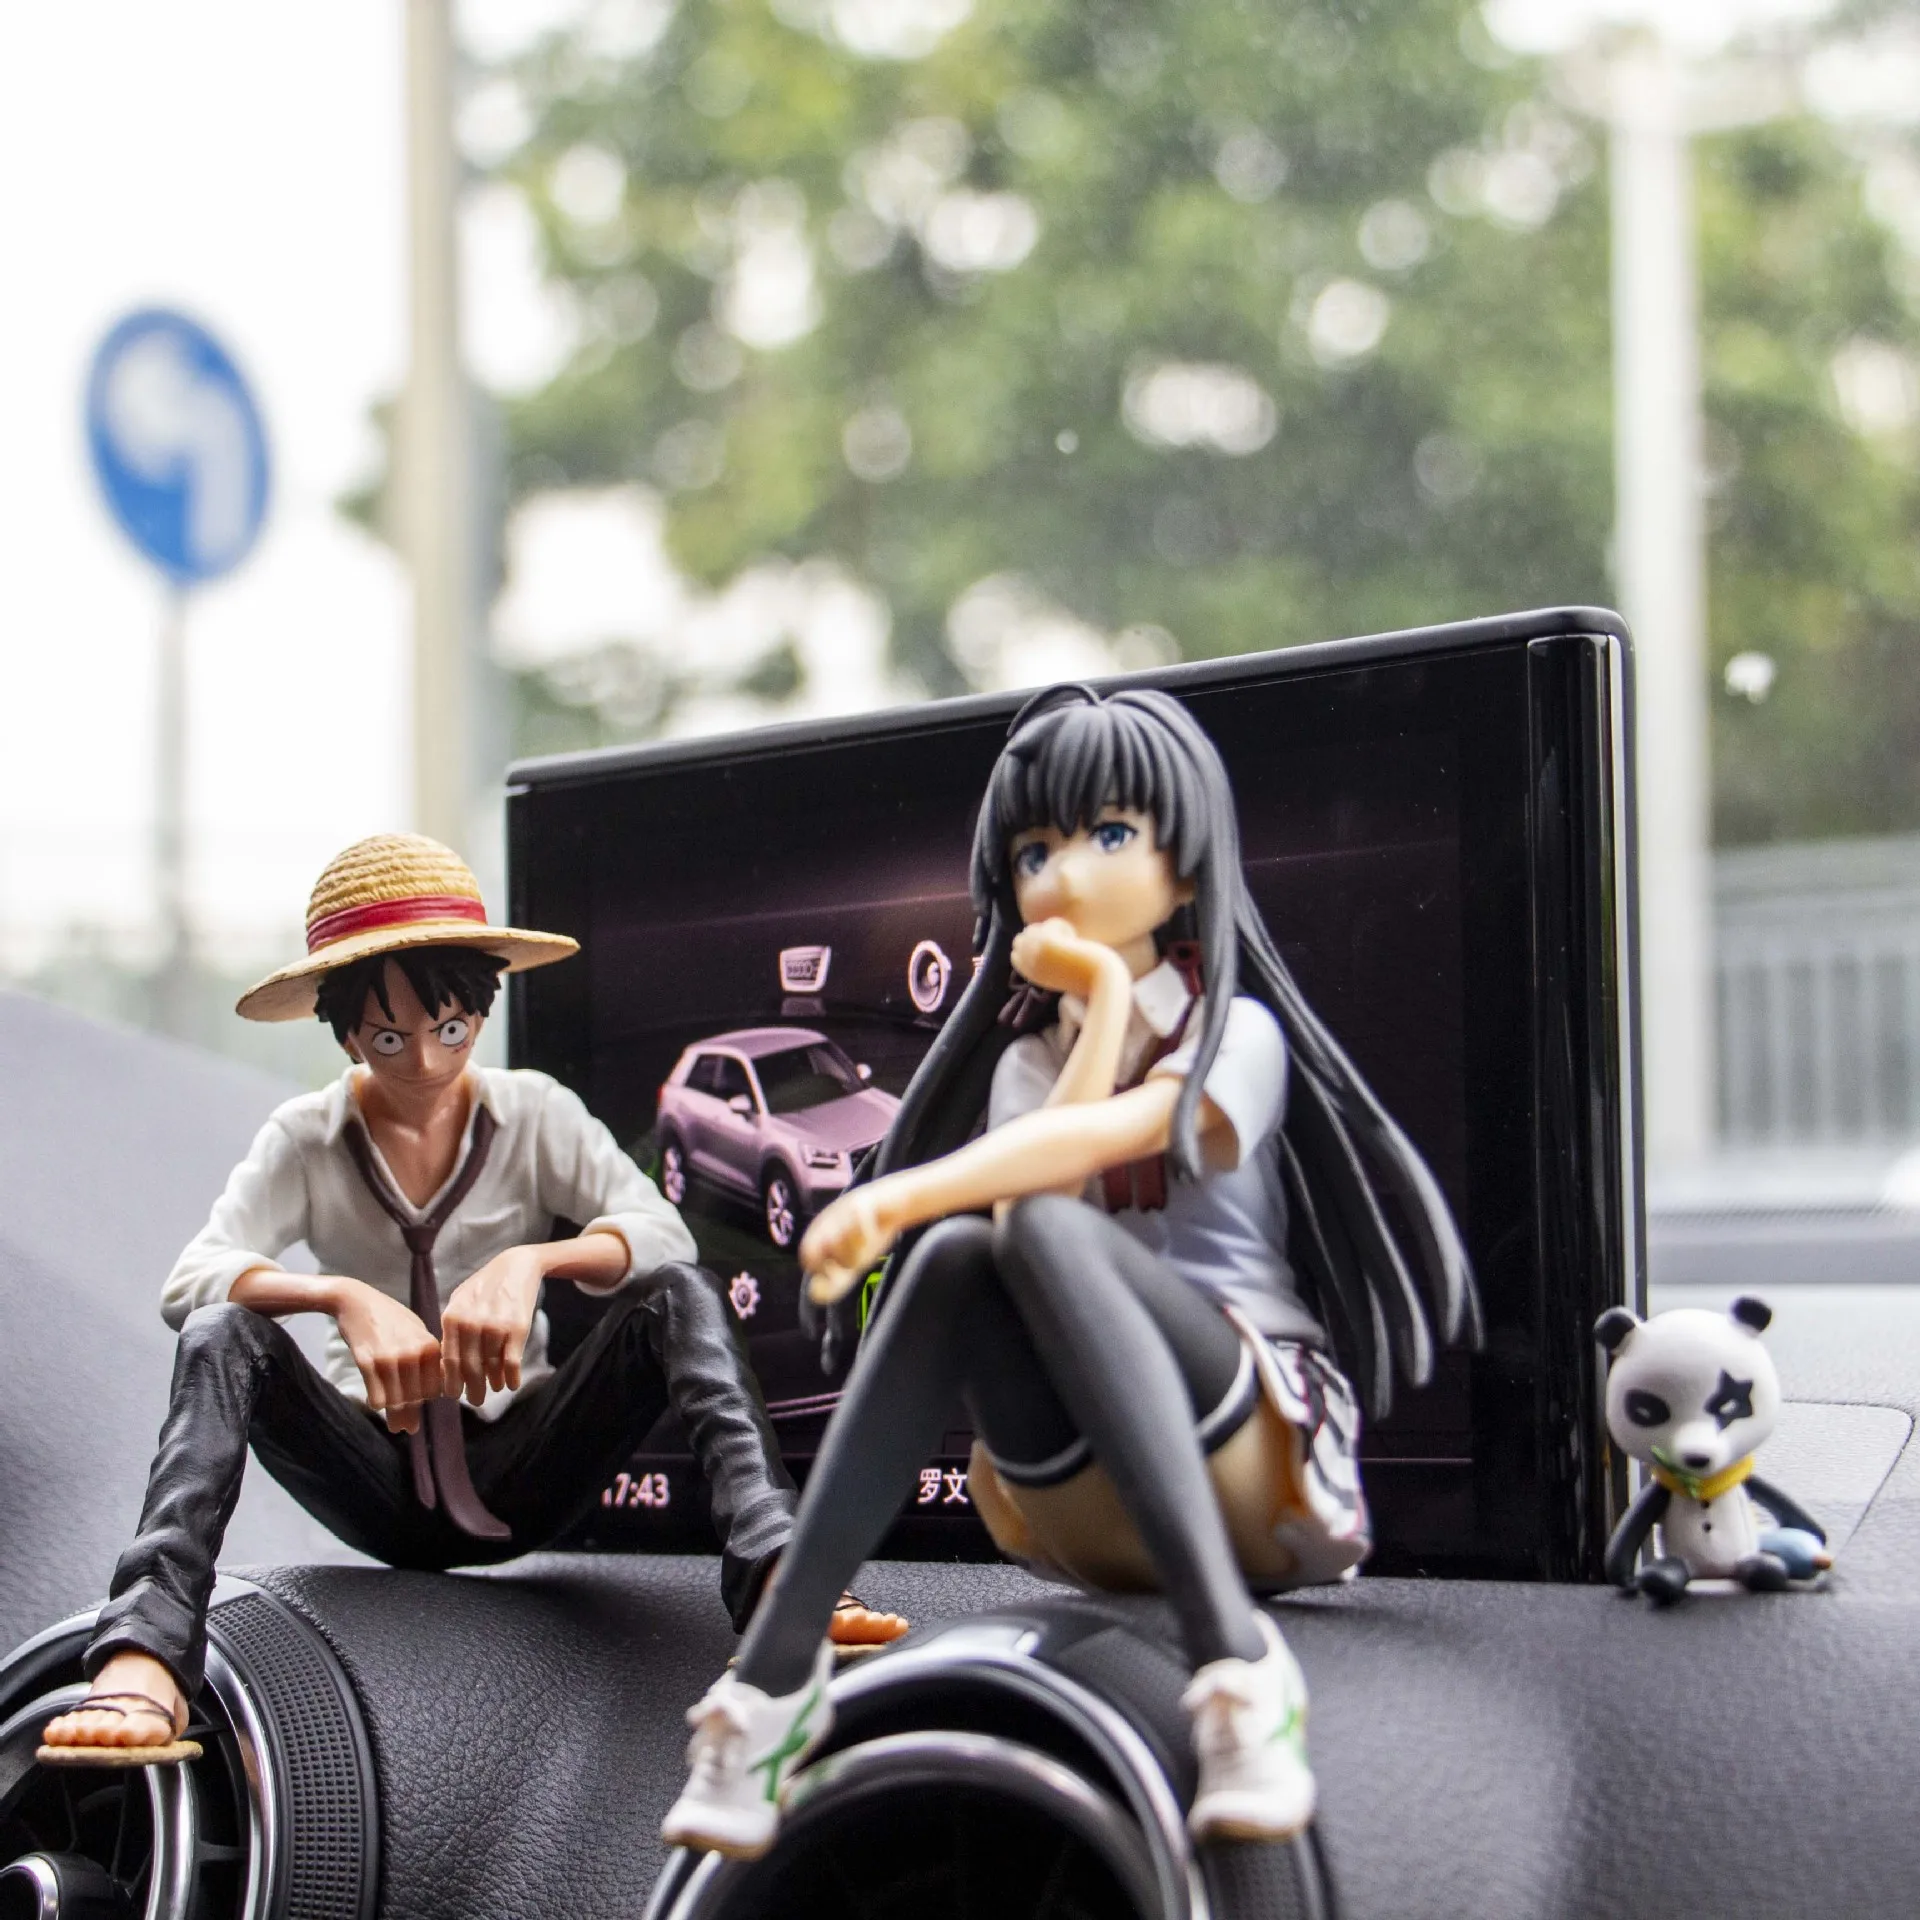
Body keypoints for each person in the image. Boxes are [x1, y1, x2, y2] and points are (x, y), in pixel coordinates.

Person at [661, 685, 1478, 1857]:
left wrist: (898, 1194)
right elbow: (1033, 1215)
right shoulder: (1026, 1066)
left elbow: (1110, 1146)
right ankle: (775, 1680)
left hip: (1248, 1452)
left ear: (1185, 865)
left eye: (1108, 834)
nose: (1063, 876)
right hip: (1078, 1498)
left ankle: (1240, 1667)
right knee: (968, 1253)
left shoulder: (1233, 1033)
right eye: (1034, 852)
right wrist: (1085, 1022)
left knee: (1003, 1229)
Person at [40, 833, 898, 1769]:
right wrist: (337, 1295)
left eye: (448, 1030)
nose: (422, 1062)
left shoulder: (533, 1113)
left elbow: (663, 1234)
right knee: (221, 1332)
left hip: (525, 1461)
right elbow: (191, 1279)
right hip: (372, 1470)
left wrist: (535, 1261)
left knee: (678, 1297)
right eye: (388, 1039)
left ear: (481, 1011)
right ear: (345, 1035)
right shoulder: (306, 1137)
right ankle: (146, 1649)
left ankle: (779, 1580)